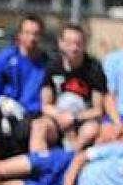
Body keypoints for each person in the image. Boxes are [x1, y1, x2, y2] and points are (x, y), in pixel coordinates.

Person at [0, 15, 50, 160]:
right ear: (19, 35)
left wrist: (26, 110)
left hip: (28, 115)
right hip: (2, 110)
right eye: (27, 33)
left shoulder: (45, 64)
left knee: (25, 130)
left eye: (36, 34)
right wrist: (0, 101)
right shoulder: (5, 58)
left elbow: (45, 97)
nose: (32, 38)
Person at [30, 24, 107, 153]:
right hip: (57, 119)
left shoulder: (94, 69)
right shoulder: (52, 66)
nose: (74, 48)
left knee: (91, 130)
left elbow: (98, 110)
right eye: (70, 43)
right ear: (61, 43)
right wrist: (61, 116)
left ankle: (70, 159)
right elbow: (45, 105)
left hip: (82, 120)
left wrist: (74, 117)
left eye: (78, 43)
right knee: (38, 126)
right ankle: (38, 165)